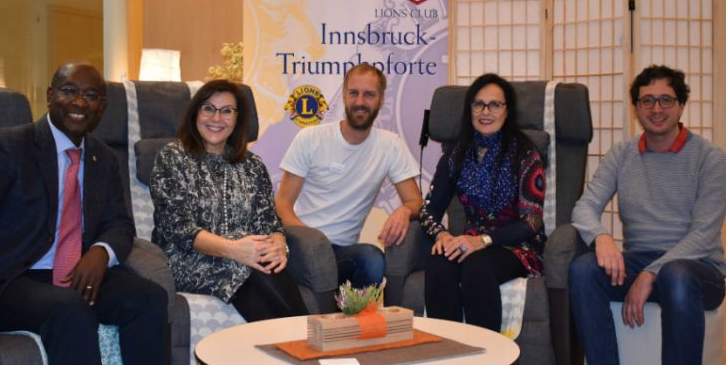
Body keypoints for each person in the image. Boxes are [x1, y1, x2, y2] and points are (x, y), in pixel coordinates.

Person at [0, 62, 167, 365]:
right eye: (69, 91)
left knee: (149, 298)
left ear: (102, 106)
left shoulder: (103, 158)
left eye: (91, 95)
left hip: (79, 274)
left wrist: (101, 252)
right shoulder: (12, 145)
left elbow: (119, 223)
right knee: (69, 309)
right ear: (50, 95)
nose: (79, 102)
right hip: (15, 278)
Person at [569, 65, 726, 365]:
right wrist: (601, 237)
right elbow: (584, 206)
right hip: (640, 261)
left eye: (666, 100)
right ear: (636, 108)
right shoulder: (621, 154)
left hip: (697, 269)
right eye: (647, 100)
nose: (656, 109)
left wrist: (652, 272)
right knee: (583, 269)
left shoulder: (711, 159)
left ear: (681, 105)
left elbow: (704, 236)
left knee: (675, 274)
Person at [150, 79, 307, 322]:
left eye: (226, 111)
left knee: (267, 262)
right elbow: (178, 229)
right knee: (251, 264)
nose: (216, 118)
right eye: (208, 108)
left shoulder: (253, 165)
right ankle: (305, 338)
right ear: (195, 113)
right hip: (186, 258)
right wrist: (234, 250)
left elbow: (269, 222)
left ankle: (298, 339)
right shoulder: (172, 158)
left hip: (247, 257)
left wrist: (278, 244)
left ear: (237, 118)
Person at [275, 63, 422, 288]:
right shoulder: (311, 138)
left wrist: (404, 211)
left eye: (369, 95)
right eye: (354, 93)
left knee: (372, 260)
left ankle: (351, 310)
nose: (360, 102)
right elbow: (282, 204)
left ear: (381, 100)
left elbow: (416, 202)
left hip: (342, 252)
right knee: (315, 257)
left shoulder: (390, 145)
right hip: (302, 245)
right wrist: (312, 241)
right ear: (344, 96)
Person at [419, 73, 546, 331]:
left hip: (516, 247)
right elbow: (428, 211)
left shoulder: (525, 153)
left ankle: (487, 351)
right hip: (470, 243)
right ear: (470, 109)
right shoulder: (456, 154)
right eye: (479, 104)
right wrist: (442, 235)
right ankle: (448, 349)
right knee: (439, 263)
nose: (485, 112)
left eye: (495, 105)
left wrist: (484, 241)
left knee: (477, 266)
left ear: (507, 110)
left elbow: (532, 222)